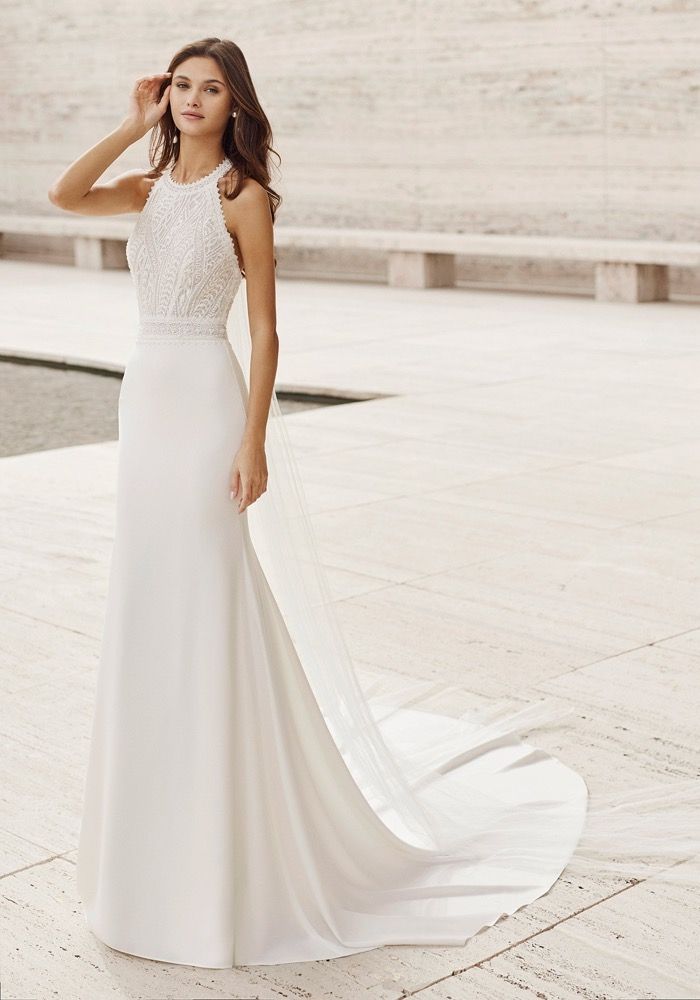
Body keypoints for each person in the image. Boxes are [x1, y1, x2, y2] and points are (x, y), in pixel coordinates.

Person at [48, 37, 699, 971]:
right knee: (151, 596)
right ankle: (154, 842)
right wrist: (131, 120)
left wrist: (252, 440)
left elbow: (267, 327)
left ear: (238, 105)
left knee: (205, 592)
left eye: (210, 88)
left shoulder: (244, 197)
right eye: (181, 86)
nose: (192, 100)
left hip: (201, 399)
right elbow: (64, 195)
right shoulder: (147, 190)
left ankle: (225, 841)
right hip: (144, 395)